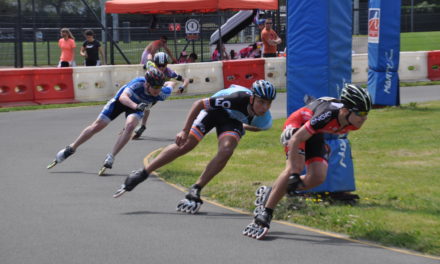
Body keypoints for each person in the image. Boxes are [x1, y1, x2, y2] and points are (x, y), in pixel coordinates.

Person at [113, 80, 278, 215]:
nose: (264, 107)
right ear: (252, 99)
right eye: (261, 102)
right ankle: (143, 173)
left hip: (232, 120)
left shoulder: (265, 120)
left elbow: (257, 127)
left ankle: (196, 188)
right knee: (187, 144)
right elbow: (199, 104)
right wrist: (184, 131)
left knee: (227, 150)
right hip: (214, 111)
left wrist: (240, 128)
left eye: (268, 104)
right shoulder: (236, 98)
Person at [243, 84, 372, 240]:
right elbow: (297, 138)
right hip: (297, 127)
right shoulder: (328, 115)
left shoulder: (352, 121)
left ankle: (271, 192)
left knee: (317, 177)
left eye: (366, 113)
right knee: (294, 169)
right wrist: (294, 173)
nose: (364, 118)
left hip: (313, 133)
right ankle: (266, 213)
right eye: (360, 113)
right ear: (345, 110)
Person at [47, 68, 167, 175]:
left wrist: (177, 82)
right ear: (147, 84)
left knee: (130, 126)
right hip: (121, 103)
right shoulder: (138, 83)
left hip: (137, 107)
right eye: (155, 87)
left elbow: (171, 84)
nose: (158, 90)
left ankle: (111, 156)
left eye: (160, 86)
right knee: (97, 126)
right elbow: (123, 97)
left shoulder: (162, 93)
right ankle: (72, 148)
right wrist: (136, 106)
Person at [132, 52, 190, 140]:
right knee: (143, 106)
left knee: (145, 106)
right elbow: (149, 55)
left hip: (158, 90)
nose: (162, 68)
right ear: (155, 63)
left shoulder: (169, 72)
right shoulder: (150, 65)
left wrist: (182, 87)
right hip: (147, 88)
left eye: (164, 65)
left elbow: (186, 79)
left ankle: (139, 125)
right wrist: (148, 57)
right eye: (159, 65)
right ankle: (141, 126)